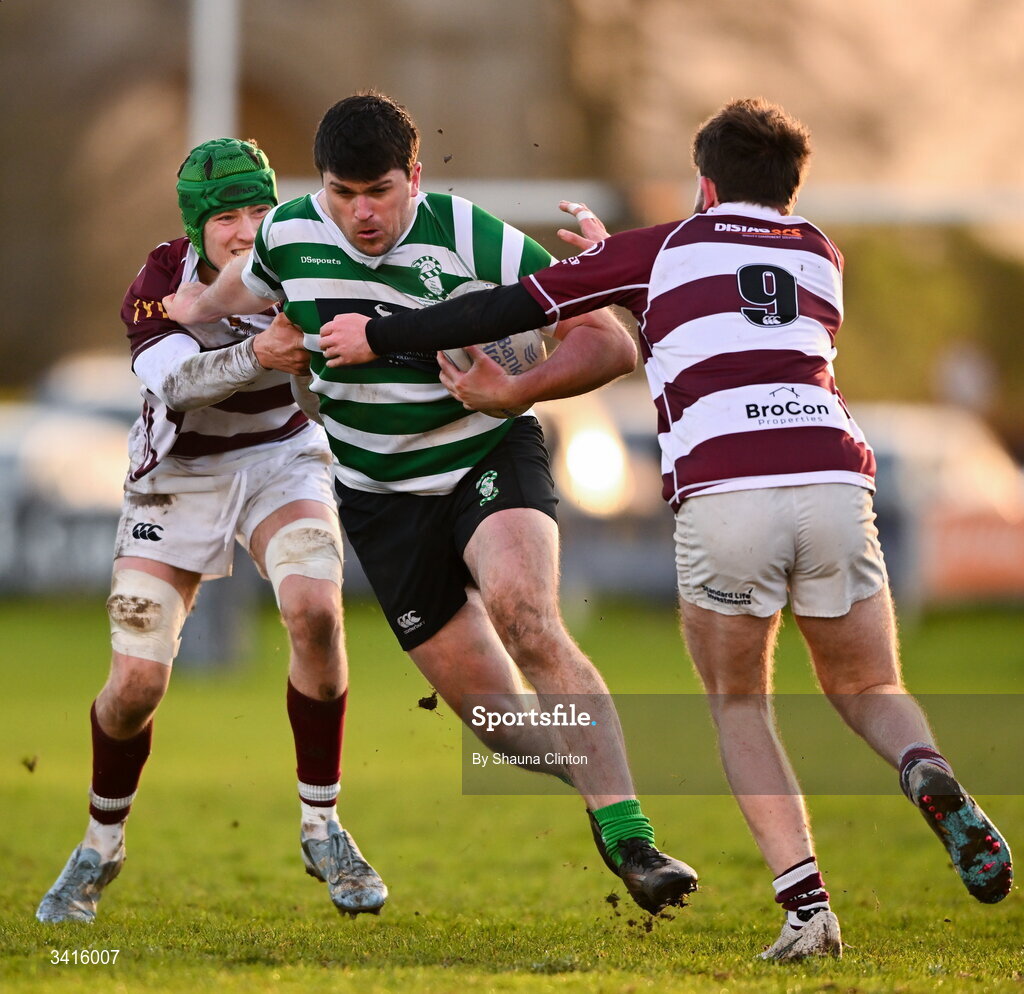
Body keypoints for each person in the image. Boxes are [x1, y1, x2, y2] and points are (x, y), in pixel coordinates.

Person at [320, 97, 1014, 960]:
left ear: (704, 181)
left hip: (729, 489)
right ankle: (926, 770)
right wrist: (616, 260)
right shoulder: (821, 255)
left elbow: (499, 313)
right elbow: (716, 306)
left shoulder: (662, 248)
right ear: (789, 190)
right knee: (868, 685)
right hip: (837, 479)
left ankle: (808, 912)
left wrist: (382, 331)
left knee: (738, 703)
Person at [163, 92, 699, 916]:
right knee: (498, 724)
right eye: (343, 193)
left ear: (415, 176)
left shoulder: (471, 235)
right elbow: (213, 298)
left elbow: (611, 340)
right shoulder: (288, 236)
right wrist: (176, 315)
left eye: (379, 191)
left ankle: (629, 837)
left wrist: (512, 388)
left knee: (527, 614)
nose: (361, 214)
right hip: (382, 502)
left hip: (485, 455)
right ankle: (605, 764)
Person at [36, 138, 387, 924]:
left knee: (317, 613)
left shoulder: (307, 250)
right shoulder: (158, 282)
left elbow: (343, 369)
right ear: (198, 226)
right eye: (227, 215)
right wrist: (262, 351)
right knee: (134, 688)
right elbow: (176, 385)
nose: (246, 229)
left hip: (281, 461)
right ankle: (101, 843)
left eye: (258, 209)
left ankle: (323, 825)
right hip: (176, 479)